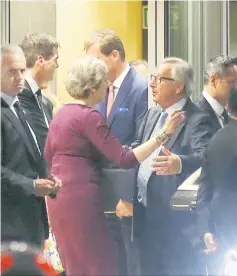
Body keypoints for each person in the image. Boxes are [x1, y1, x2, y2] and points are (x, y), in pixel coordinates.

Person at [44, 56, 184, 276]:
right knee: (99, 263)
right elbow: (124, 159)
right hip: (82, 199)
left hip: (58, 199)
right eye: (104, 82)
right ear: (92, 88)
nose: (108, 86)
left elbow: (48, 157)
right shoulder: (89, 117)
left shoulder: (60, 114)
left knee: (75, 263)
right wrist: (163, 135)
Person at [130, 57, 214, 275]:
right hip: (144, 215)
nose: (152, 83)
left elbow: (206, 158)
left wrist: (180, 163)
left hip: (175, 223)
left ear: (179, 86)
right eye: (153, 78)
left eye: (159, 79)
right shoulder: (152, 114)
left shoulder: (197, 119)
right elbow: (138, 150)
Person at [84, 28, 148, 275]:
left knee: (132, 262)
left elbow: (141, 144)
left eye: (96, 59)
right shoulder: (100, 90)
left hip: (126, 194)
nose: (92, 67)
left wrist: (128, 194)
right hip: (102, 193)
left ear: (113, 55)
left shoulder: (140, 89)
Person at [1, 45, 61, 248]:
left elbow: (32, 153)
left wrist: (47, 177)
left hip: (31, 219)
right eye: (12, 71)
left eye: (22, 71)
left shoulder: (21, 105)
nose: (19, 77)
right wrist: (32, 186)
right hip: (8, 222)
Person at [197, 87, 237, 275]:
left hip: (219, 228)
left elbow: (204, 189)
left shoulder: (216, 138)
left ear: (228, 107)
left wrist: (205, 229)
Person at [18, 33, 60, 152]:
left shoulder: (46, 102)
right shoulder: (15, 98)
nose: (57, 66)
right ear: (41, 60)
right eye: (55, 60)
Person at [196, 55, 237, 132]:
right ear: (213, 80)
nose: (236, 87)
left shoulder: (225, 115)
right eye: (232, 82)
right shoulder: (197, 116)